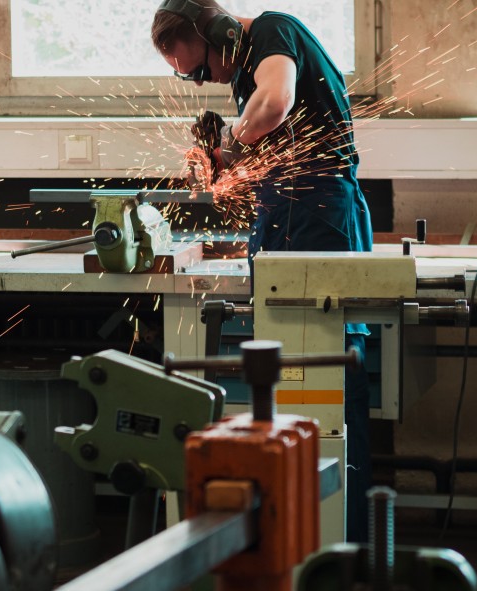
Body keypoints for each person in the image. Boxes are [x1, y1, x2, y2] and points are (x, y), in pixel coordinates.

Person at [151, 0, 374, 544]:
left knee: (332, 377)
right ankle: (296, 531)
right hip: (282, 218)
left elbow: (275, 103)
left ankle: (342, 541)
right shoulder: (242, 72)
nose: (205, 80)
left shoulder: (274, 32)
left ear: (220, 30)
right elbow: (263, 140)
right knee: (289, 377)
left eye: (200, 70)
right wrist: (219, 160)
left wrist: (230, 141)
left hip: (319, 218)